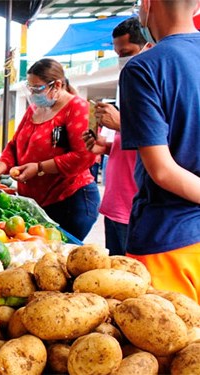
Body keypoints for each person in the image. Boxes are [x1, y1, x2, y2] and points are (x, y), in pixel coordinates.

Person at [119, 0, 200, 301]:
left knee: (168, 341)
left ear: (147, 5)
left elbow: (163, 170)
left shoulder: (144, 67)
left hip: (169, 241)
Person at [0, 58, 100, 241]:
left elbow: (85, 156)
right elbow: (14, 145)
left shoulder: (81, 108)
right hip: (38, 203)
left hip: (70, 200)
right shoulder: (36, 109)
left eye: (37, 88)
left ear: (57, 85)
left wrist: (40, 167)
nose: (33, 93)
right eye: (30, 88)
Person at [82, 17, 147, 256]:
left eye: (126, 52)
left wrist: (121, 125)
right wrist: (107, 146)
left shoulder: (159, 90)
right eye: (118, 53)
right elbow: (134, 148)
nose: (122, 60)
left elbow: (165, 145)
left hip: (134, 207)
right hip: (115, 203)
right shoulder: (131, 90)